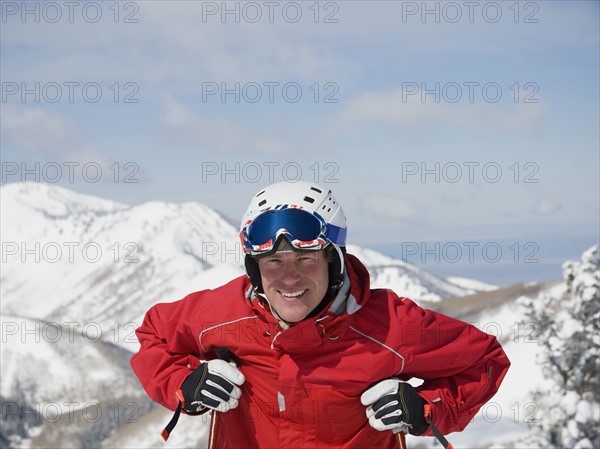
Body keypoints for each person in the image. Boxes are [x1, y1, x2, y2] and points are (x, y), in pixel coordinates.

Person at [131, 181, 510, 449]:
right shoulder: (224, 314)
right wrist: (184, 385)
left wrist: (425, 408)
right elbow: (153, 335)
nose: (288, 277)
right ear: (254, 268)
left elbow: (485, 360)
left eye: (306, 259)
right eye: (273, 261)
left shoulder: (391, 326)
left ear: (335, 261)